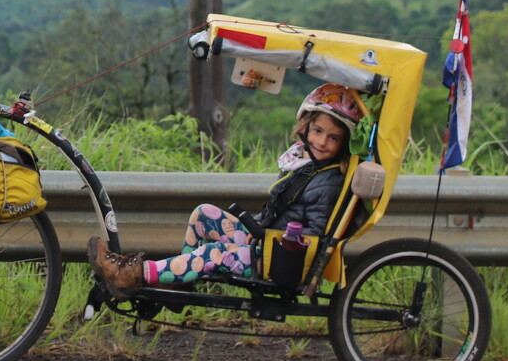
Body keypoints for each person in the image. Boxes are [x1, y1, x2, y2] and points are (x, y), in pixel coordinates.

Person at [87, 83, 365, 297]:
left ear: (344, 144)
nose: (322, 141)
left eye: (333, 138)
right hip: (263, 241)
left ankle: (130, 276)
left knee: (215, 253)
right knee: (204, 214)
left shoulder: (328, 181)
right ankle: (180, 284)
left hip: (274, 258)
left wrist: (280, 243)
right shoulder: (304, 165)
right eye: (317, 131)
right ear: (305, 127)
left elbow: (312, 237)